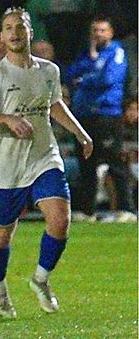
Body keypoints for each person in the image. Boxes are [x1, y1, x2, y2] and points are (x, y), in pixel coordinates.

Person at [0, 7, 93, 318]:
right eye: (8, 27)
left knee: (60, 221)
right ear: (1, 35)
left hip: (43, 157)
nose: (14, 32)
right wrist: (7, 119)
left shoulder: (48, 70)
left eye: (20, 27)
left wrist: (80, 133)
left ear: (30, 32)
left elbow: (54, 104)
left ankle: (40, 279)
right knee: (2, 233)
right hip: (8, 168)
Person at [64, 17, 133, 220]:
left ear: (110, 33)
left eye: (102, 30)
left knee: (115, 162)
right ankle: (88, 211)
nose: (98, 34)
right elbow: (69, 75)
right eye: (95, 30)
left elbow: (108, 78)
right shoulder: (86, 54)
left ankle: (126, 209)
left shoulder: (117, 52)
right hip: (83, 115)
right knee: (86, 164)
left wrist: (86, 77)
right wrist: (92, 67)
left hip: (106, 115)